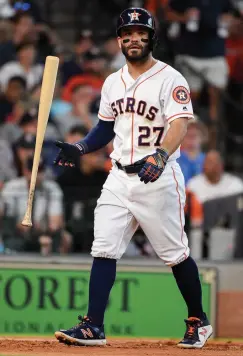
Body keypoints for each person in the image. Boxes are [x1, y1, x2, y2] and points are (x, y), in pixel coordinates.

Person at [54, 7, 212, 349]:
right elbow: (105, 128)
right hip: (118, 177)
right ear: (119, 41)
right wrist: (79, 148)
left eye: (141, 34)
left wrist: (161, 154)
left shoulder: (171, 78)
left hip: (157, 174)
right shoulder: (113, 81)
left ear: (152, 39)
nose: (134, 39)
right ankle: (94, 326)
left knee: (175, 252)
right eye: (128, 34)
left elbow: (179, 125)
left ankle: (198, 320)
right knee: (104, 247)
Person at [177, 119, 207, 185]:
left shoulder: (208, 160)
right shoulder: (174, 160)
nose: (191, 139)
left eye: (195, 135)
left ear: (202, 137)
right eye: (188, 135)